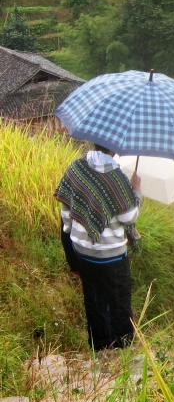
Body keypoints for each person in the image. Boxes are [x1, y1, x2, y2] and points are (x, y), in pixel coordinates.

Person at [55, 145, 141, 351]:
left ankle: (101, 349)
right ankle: (122, 351)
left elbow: (66, 211)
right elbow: (129, 217)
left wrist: (73, 235)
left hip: (83, 251)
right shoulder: (117, 178)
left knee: (94, 300)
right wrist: (136, 189)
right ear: (115, 148)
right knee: (119, 303)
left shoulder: (76, 169)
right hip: (112, 255)